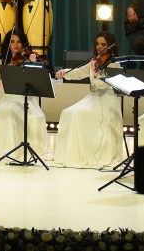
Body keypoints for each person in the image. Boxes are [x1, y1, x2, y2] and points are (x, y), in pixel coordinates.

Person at [53, 31, 123, 168]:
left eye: (103, 44)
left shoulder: (114, 65)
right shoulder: (95, 61)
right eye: (97, 44)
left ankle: (89, 155)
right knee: (67, 112)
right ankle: (73, 155)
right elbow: (79, 72)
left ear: (111, 46)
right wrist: (64, 72)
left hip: (107, 100)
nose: (99, 47)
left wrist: (96, 75)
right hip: (94, 97)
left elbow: (104, 85)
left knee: (78, 114)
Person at [0, 29, 48, 160]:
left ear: (23, 44)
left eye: (19, 41)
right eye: (12, 41)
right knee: (6, 108)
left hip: (26, 99)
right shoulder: (3, 62)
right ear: (8, 44)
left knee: (14, 109)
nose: (16, 45)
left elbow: (38, 79)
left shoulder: (27, 59)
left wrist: (33, 63)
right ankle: (8, 151)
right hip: (8, 99)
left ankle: (20, 151)